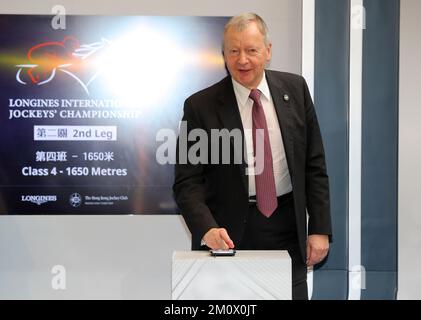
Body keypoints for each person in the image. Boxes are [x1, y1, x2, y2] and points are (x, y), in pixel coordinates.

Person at [173, 13, 332, 300]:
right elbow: (187, 182)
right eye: (233, 51)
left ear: (268, 51)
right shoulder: (200, 106)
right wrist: (206, 228)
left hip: (287, 228)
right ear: (223, 54)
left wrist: (320, 228)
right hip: (227, 235)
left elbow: (314, 165)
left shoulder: (295, 90)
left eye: (251, 50)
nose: (242, 60)